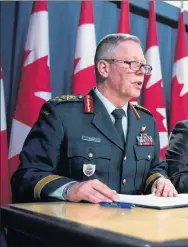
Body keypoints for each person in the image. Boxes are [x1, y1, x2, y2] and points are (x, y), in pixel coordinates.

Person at [11, 34, 177, 203]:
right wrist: (69, 189)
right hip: (78, 225)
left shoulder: (146, 120)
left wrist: (159, 181)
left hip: (131, 224)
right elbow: (26, 176)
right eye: (132, 64)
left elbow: (154, 168)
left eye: (143, 66)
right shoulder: (62, 114)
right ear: (104, 68)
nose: (142, 72)